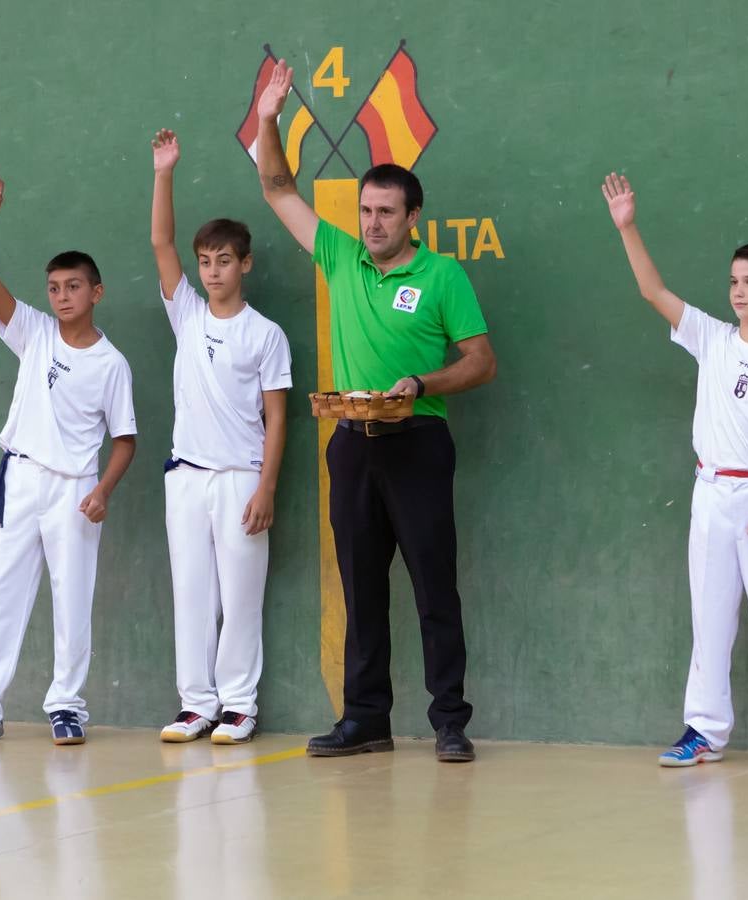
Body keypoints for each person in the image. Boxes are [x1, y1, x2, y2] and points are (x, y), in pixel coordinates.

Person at [253, 61, 496, 762]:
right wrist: (269, 118)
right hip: (350, 444)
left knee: (432, 585)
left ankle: (449, 720)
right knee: (360, 588)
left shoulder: (442, 275)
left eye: (387, 212)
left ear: (413, 217)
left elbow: (481, 360)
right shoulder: (338, 254)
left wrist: (422, 384)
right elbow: (276, 186)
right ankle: (367, 719)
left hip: (418, 439)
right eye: (366, 210)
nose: (374, 222)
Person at [601, 171, 748, 773]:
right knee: (710, 617)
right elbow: (653, 291)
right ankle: (704, 731)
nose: (738, 291)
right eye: (733, 281)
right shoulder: (712, 337)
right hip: (711, 495)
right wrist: (628, 228)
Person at [0, 171, 137, 747]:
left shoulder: (112, 364)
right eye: (53, 287)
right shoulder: (33, 333)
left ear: (96, 292)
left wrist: (103, 491)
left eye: (73, 286)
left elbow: (125, 440)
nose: (62, 295)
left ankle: (67, 705)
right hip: (19, 480)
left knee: (73, 600)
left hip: (75, 492)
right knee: (1, 592)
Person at [149, 129, 293, 745]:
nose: (211, 271)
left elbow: (278, 417)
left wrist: (265, 489)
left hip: (241, 480)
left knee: (240, 596)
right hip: (185, 478)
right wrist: (165, 172)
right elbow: (160, 240)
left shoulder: (266, 335)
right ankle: (196, 705)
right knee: (192, 594)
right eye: (204, 261)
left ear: (245, 264)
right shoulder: (185, 311)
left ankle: (238, 705)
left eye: (223, 261)